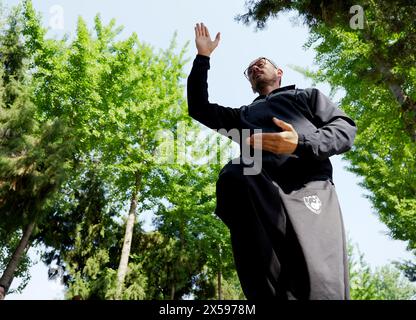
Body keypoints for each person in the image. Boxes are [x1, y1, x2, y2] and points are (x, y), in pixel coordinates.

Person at [187, 23, 357, 300]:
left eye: (261, 63)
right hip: (261, 193)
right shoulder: (244, 116)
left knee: (321, 284)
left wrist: (299, 143)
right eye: (249, 69)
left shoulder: (306, 97)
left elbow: (344, 130)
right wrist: (203, 57)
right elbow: (199, 108)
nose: (254, 68)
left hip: (309, 188)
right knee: (234, 175)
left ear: (279, 73)